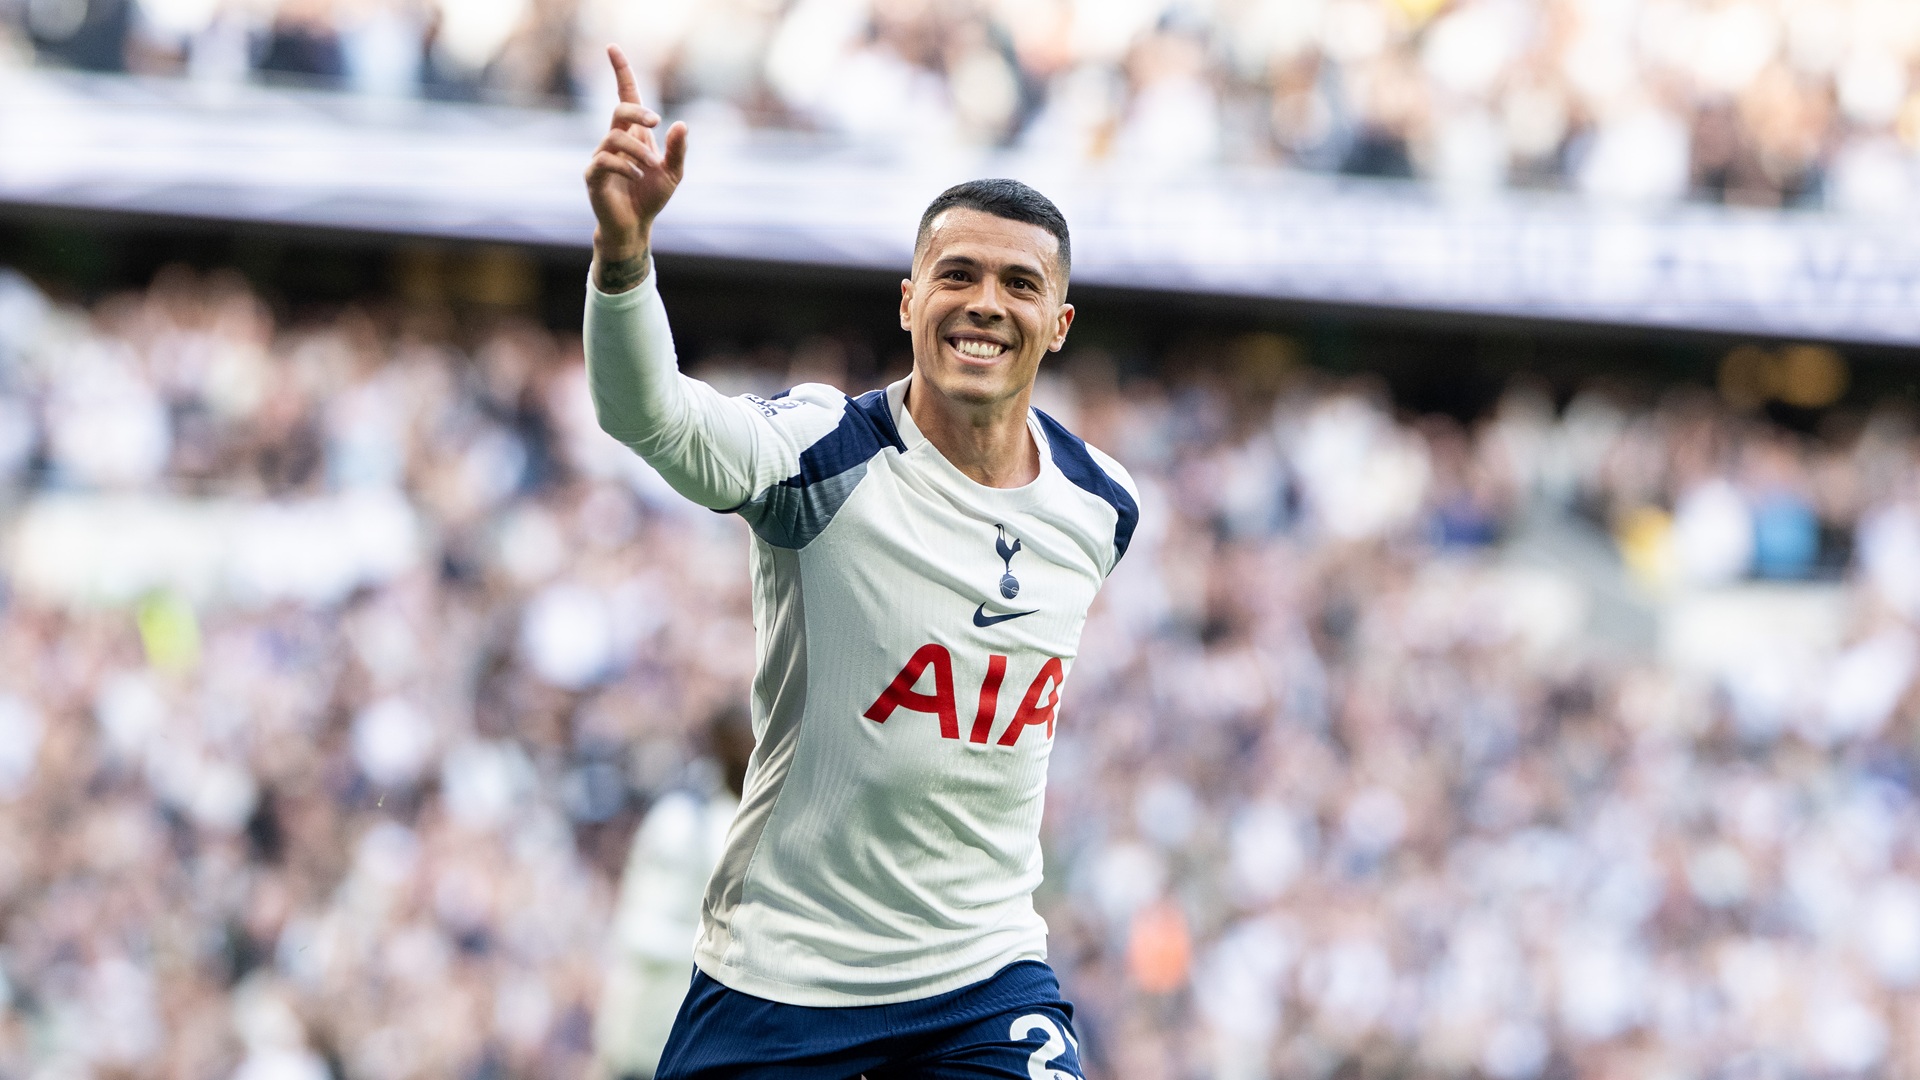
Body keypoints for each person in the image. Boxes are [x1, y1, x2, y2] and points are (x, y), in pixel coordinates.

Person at [582, 43, 1138, 1079]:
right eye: (957, 274)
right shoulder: (820, 453)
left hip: (983, 977)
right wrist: (624, 262)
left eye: (1019, 284)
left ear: (1056, 326)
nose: (985, 302)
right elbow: (649, 416)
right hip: (785, 983)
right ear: (906, 301)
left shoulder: (1102, 506)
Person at [596, 707, 755, 1080]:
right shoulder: (682, 823)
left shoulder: (747, 816)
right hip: (652, 1037)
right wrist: (718, 951)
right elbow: (639, 931)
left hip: (708, 1040)